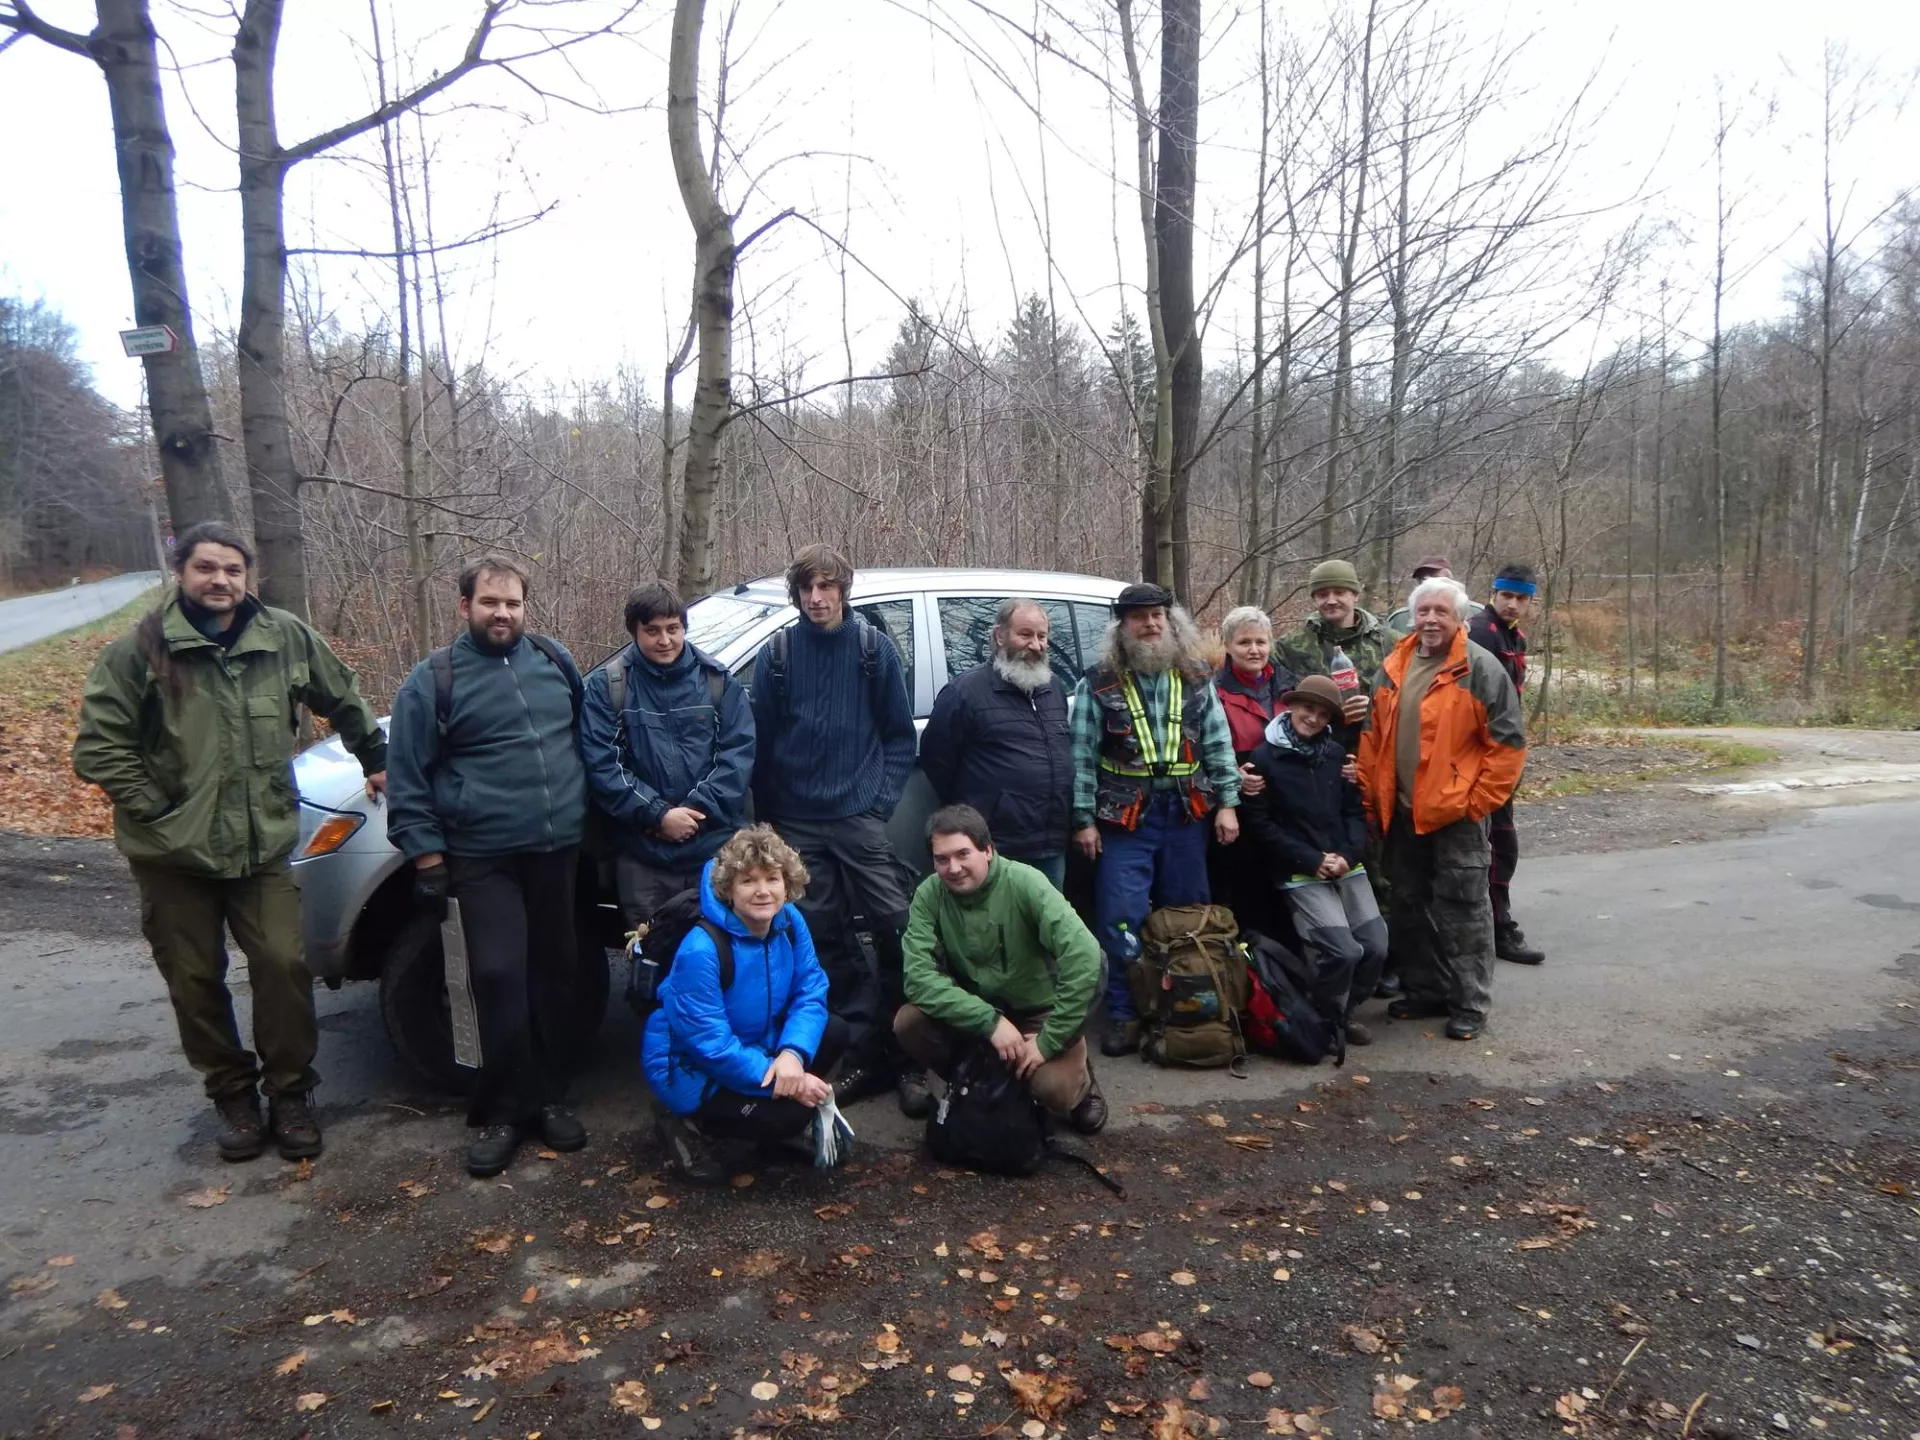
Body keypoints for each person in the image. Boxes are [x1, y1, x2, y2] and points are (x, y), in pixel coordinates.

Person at [73, 521, 386, 1162]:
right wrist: (157, 808)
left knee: (282, 965)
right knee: (194, 979)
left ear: (248, 578)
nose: (220, 580)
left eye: (232, 570)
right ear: (182, 574)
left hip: (261, 842)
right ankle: (233, 1096)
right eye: (206, 568)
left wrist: (374, 757)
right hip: (171, 855)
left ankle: (291, 1094)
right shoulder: (139, 651)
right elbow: (99, 748)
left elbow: (342, 695)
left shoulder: (283, 637)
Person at [386, 557, 591, 1178]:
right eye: (489, 603)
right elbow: (407, 775)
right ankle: (503, 1112)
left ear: (527, 608)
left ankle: (549, 1098)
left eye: (513, 604)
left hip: (557, 852)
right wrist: (426, 857)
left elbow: (585, 740)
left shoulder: (554, 662)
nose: (502, 614)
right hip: (483, 856)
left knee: (556, 974)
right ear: (464, 607)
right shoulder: (434, 681)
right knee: (499, 975)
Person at [750, 544, 919, 1111]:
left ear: (844, 590)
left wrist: (878, 803)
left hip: (857, 819)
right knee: (818, 935)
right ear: (796, 594)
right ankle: (854, 1042)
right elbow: (762, 744)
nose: (817, 598)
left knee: (897, 925)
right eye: (807, 588)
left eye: (827, 587)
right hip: (799, 822)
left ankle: (903, 1048)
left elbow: (900, 736)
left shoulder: (874, 651)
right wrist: (773, 818)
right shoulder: (776, 655)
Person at [1069, 583, 1241, 1057]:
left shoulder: (1197, 676)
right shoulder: (1098, 681)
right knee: (1120, 919)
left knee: (1188, 915)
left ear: (1171, 621)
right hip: (1125, 819)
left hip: (1186, 814)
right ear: (1122, 627)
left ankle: (1187, 1008)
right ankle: (1125, 1015)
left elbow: (1217, 743)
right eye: (1138, 617)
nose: (1150, 624)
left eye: (1157, 615)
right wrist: (1083, 819)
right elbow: (1081, 757)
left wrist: (1228, 802)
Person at [1357, 577, 1526, 1042]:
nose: (1431, 619)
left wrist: (1476, 804)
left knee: (1464, 910)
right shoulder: (1395, 663)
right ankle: (1426, 988)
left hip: (1457, 816)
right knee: (1409, 907)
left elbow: (1508, 745)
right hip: (1403, 813)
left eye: (1441, 612)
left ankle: (1470, 1002)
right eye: (1424, 610)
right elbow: (1373, 737)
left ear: (1460, 619)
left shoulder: (1480, 668)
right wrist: (1373, 800)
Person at [644, 825, 844, 1185]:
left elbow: (811, 990)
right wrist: (791, 1083)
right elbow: (711, 1046)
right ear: (728, 890)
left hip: (756, 1041)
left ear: (788, 883)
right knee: (788, 1115)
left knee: (835, 1031)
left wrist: (792, 1055)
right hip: (691, 1068)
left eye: (773, 878)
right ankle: (682, 1121)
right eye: (749, 881)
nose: (764, 891)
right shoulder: (702, 949)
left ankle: (766, 1130)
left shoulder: (790, 922)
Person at [896, 806, 1107, 1132]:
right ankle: (977, 1082)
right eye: (942, 859)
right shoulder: (929, 895)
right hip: (979, 1012)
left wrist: (1049, 1040)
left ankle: (1082, 1085)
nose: (953, 868)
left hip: (1039, 1012)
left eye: (963, 854)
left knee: (1055, 1091)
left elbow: (1087, 958)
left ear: (988, 850)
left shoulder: (1026, 883)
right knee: (909, 1022)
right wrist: (989, 1021)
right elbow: (918, 978)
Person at [580, 581, 755, 927]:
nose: (665, 640)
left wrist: (692, 814)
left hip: (714, 850)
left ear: (684, 628)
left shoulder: (717, 682)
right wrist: (658, 815)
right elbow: (603, 766)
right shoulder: (609, 688)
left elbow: (737, 758)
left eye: (673, 629)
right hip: (642, 854)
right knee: (652, 956)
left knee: (721, 953)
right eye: (653, 631)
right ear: (635, 632)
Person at [1240, 675, 1387, 1046]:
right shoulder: (1262, 759)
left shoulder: (1338, 757)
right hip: (1300, 870)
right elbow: (1262, 825)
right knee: (1344, 950)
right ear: (1291, 707)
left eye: (1323, 714)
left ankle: (1344, 1011)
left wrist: (1346, 855)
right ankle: (1325, 1020)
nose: (1313, 718)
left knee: (1376, 945)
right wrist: (1311, 859)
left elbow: (1355, 813)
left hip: (1345, 863)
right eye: (1308, 708)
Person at [918, 598, 1074, 890]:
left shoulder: (1052, 687)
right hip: (996, 844)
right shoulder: (965, 692)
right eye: (1025, 635)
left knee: (1046, 927)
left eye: (1042, 636)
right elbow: (935, 758)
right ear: (999, 636)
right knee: (996, 929)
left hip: (1051, 843)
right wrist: (982, 808)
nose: (1036, 645)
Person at [1468, 563, 1546, 965]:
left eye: (1521, 598)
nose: (1513, 604)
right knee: (1497, 844)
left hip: (1504, 753)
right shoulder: (1481, 632)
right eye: (1507, 596)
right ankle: (1498, 928)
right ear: (1493, 593)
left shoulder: (1515, 637)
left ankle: (1496, 922)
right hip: (1482, 759)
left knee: (1500, 843)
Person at [1209, 606, 1299, 934]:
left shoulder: (1290, 687)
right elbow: (1206, 747)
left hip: (1287, 801)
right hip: (1240, 803)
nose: (1254, 649)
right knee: (1247, 889)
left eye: (1261, 641)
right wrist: (1235, 775)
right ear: (1228, 646)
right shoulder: (1213, 690)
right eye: (1244, 642)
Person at [1276, 559, 1390, 750]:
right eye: (1322, 594)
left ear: (1354, 594)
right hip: (1313, 755)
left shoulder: (1390, 643)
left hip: (1375, 753)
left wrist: (1376, 707)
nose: (1331, 600)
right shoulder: (1291, 645)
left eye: (1339, 592)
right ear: (1314, 599)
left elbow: (1414, 701)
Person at [1383, 556, 1456, 636]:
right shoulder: (1400, 619)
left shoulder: (1470, 613)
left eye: (1435, 578)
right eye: (1423, 579)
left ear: (1450, 581)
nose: (1428, 583)